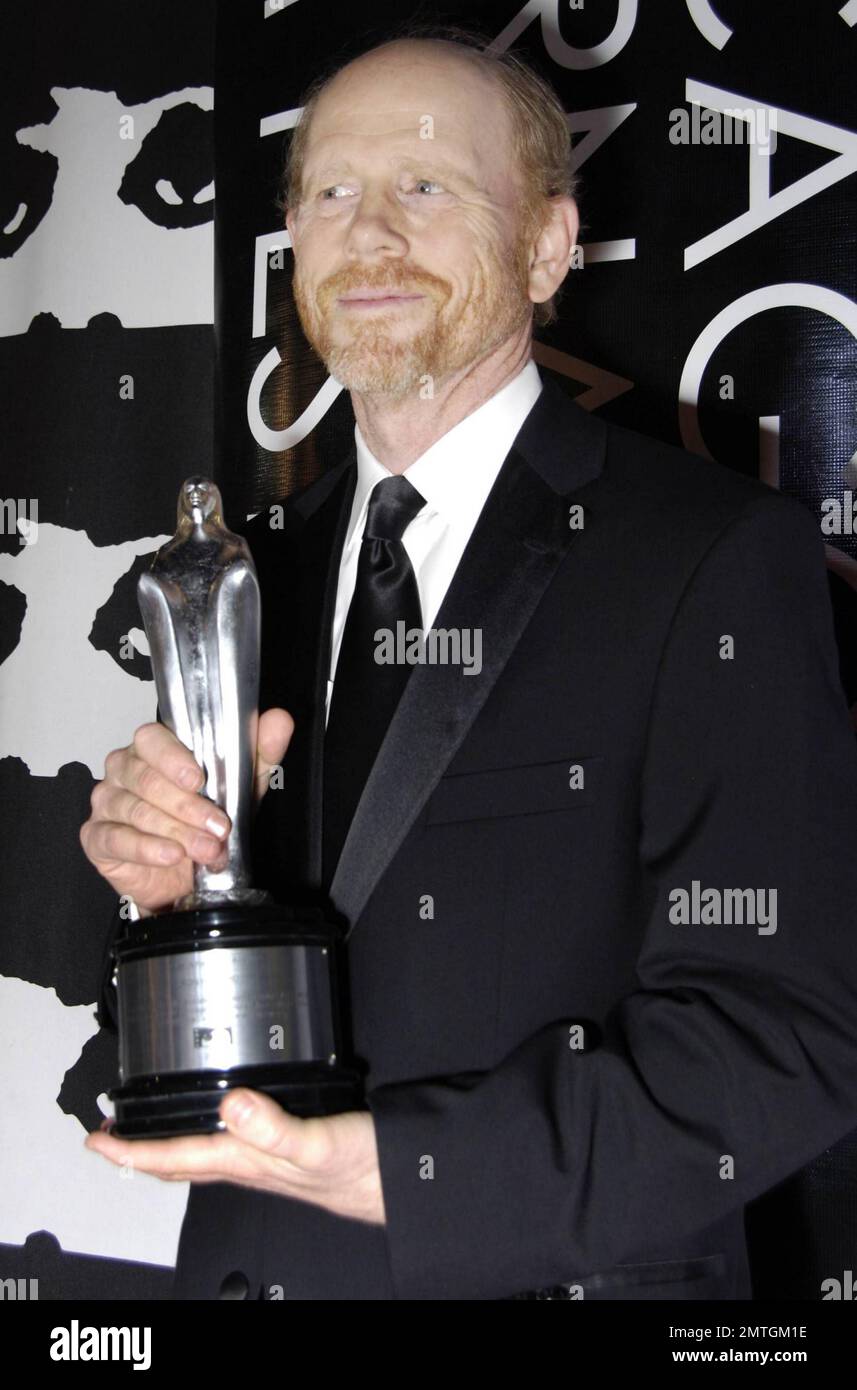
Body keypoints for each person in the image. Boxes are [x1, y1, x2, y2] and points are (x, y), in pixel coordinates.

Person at [80, 30, 857, 1301]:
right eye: (330, 191)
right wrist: (164, 881)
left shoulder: (710, 558)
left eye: (427, 187)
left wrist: (410, 1170)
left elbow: (787, 1038)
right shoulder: (241, 569)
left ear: (548, 246)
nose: (370, 231)